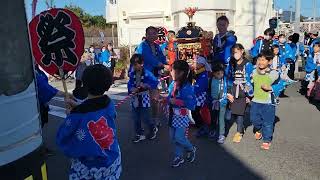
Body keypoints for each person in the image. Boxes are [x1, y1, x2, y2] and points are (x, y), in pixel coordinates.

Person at [56, 64, 122, 180]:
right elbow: (93, 111)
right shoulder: (109, 103)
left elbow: (62, 137)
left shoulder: (78, 115)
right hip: (112, 159)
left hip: (89, 168)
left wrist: (71, 115)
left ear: (84, 85)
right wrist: (77, 108)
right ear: (108, 85)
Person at [167, 60, 197, 168]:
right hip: (171, 115)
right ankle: (178, 156)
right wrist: (163, 99)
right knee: (173, 137)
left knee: (179, 137)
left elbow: (192, 104)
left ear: (181, 73)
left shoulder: (187, 87)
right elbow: (169, 97)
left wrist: (179, 102)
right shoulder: (172, 84)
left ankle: (190, 148)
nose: (170, 73)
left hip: (182, 116)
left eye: (173, 71)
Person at [250, 50, 279, 150]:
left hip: (268, 102)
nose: (260, 62)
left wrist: (271, 88)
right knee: (254, 119)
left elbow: (280, 86)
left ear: (269, 62)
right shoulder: (254, 71)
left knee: (268, 122)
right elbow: (251, 83)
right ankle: (259, 129)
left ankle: (267, 140)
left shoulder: (274, 73)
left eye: (263, 60)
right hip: (255, 100)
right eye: (259, 59)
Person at [127, 54, 159, 142]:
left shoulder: (147, 73)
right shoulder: (132, 73)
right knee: (135, 117)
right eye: (133, 64)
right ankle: (139, 134)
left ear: (142, 64)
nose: (134, 66)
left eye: (136, 64)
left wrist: (147, 85)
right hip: (135, 97)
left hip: (144, 96)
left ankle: (152, 129)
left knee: (146, 117)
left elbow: (155, 82)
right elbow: (129, 84)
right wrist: (131, 89)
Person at [227, 44, 254, 143]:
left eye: (237, 52)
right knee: (233, 112)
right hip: (233, 90)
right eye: (233, 53)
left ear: (242, 51)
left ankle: (239, 132)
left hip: (243, 91)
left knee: (239, 113)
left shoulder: (248, 64)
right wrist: (228, 92)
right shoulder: (232, 63)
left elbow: (250, 80)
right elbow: (229, 78)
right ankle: (241, 126)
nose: (235, 55)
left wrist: (249, 95)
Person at [191, 56, 211, 135]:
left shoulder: (203, 74)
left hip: (201, 95)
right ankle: (200, 125)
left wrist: (191, 90)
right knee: (195, 111)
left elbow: (200, 87)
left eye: (196, 63)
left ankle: (203, 127)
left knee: (195, 111)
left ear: (201, 64)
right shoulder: (198, 72)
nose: (195, 64)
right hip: (197, 94)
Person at [209, 62, 228, 144]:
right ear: (213, 73)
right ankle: (213, 129)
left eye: (222, 73)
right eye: (218, 73)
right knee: (213, 117)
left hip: (222, 101)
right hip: (213, 102)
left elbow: (229, 89)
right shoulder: (211, 80)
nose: (220, 75)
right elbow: (208, 90)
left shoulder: (225, 80)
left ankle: (221, 134)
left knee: (221, 118)